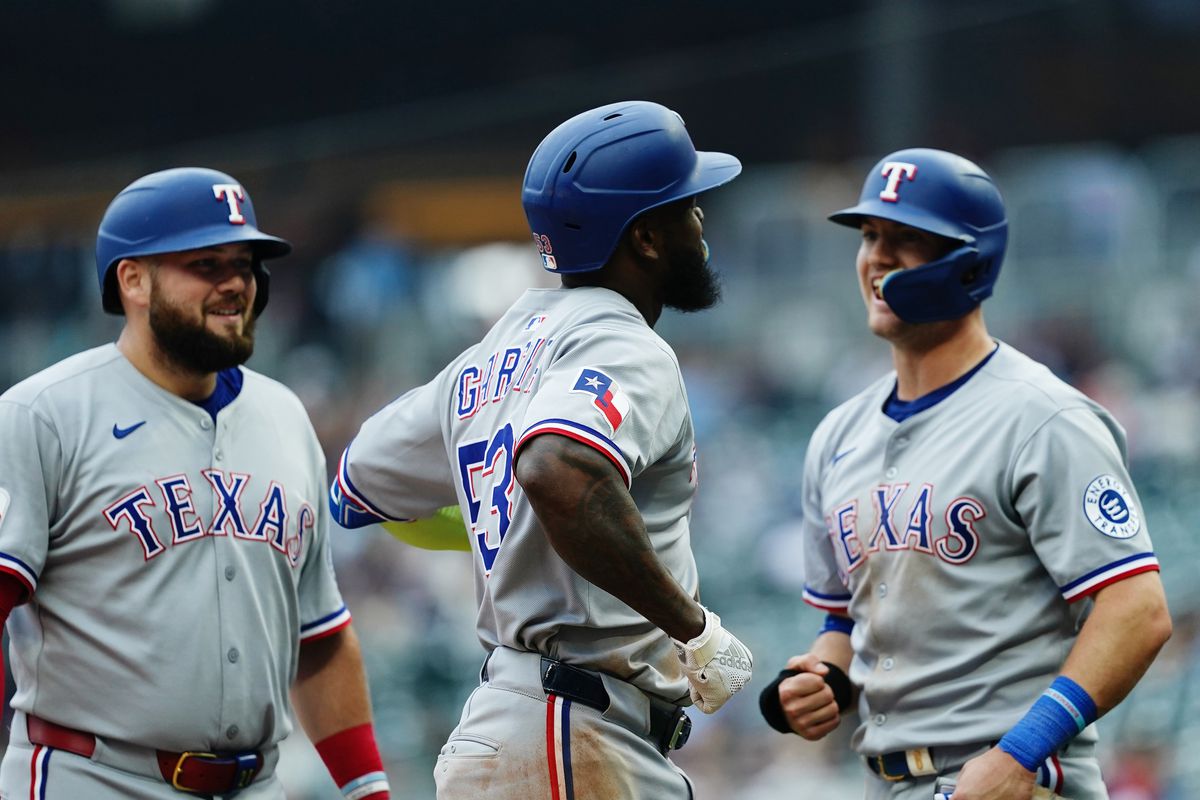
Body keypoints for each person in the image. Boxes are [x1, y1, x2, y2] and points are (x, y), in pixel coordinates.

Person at [331, 100, 754, 799]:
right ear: (646, 238)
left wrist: (505, 531)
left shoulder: (489, 356)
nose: (700, 221)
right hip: (574, 739)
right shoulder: (623, 341)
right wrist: (694, 628)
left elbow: (358, 486)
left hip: (529, 727)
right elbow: (554, 469)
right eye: (686, 205)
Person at [760, 148, 1172, 800]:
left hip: (1019, 781)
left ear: (970, 262)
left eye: (907, 240)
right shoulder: (836, 435)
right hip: (887, 782)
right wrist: (821, 681)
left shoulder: (1043, 416)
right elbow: (841, 624)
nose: (876, 258)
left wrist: (1020, 754)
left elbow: (1137, 610)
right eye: (870, 236)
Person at [0, 168, 391, 800]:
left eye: (244, 263)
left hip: (256, 784)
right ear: (132, 280)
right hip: (93, 777)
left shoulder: (286, 416)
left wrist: (368, 790)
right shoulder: (43, 414)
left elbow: (318, 637)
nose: (235, 282)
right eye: (205, 264)